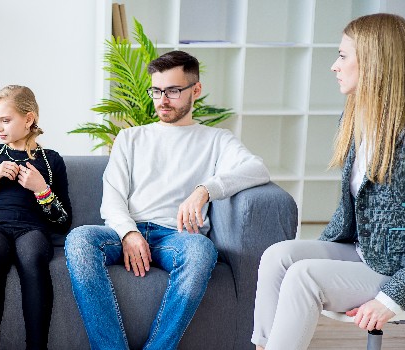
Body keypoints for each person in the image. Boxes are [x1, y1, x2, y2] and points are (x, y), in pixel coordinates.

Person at [65, 50, 270, 350]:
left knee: (202, 250)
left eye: (173, 91)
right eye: (157, 90)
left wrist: (204, 190)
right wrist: (129, 233)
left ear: (195, 90)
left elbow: (257, 169)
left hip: (176, 239)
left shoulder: (217, 140)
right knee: (79, 240)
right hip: (125, 233)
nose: (162, 100)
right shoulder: (131, 138)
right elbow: (112, 199)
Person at [251, 13, 405, 350]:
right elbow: (350, 210)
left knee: (303, 276)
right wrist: (323, 253)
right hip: (363, 251)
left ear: (373, 61)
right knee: (278, 256)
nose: (333, 66)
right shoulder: (357, 119)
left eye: (342, 56)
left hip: (397, 270)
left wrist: (391, 300)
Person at [0, 85, 72, 350]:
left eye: (6, 120)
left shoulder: (51, 161)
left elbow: (63, 222)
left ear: (29, 118)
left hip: (32, 228)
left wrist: (42, 189)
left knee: (33, 257)